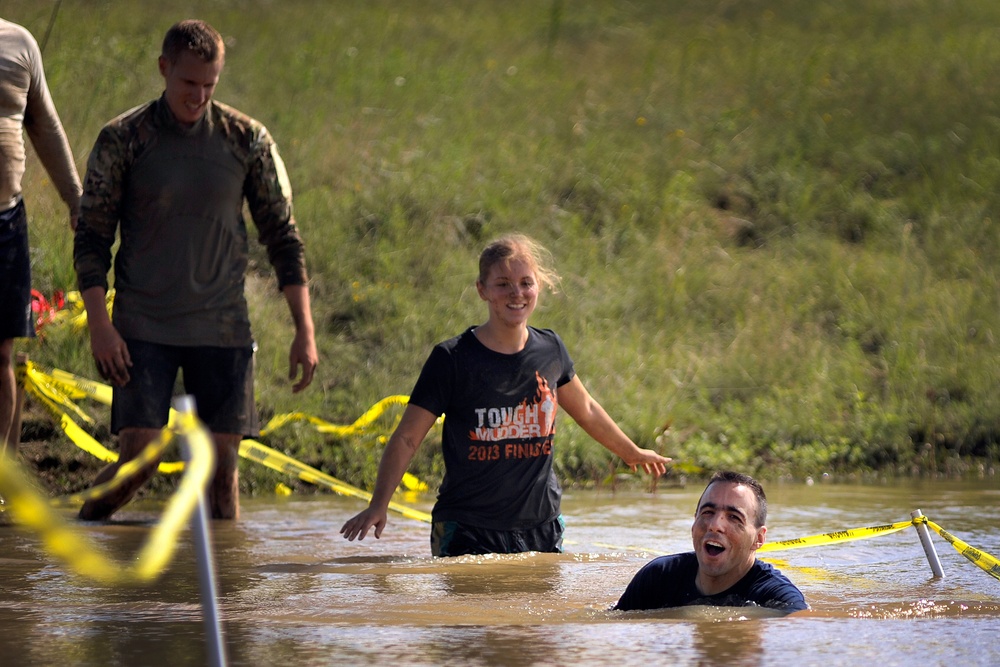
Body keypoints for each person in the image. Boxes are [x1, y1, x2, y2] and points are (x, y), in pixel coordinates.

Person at [73, 19, 318, 520]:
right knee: (138, 461)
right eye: (189, 83)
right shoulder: (124, 138)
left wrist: (304, 330)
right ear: (164, 69)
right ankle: (79, 542)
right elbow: (92, 238)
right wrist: (100, 325)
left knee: (221, 477)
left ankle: (222, 592)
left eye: (210, 85)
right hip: (144, 323)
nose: (199, 96)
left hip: (222, 324)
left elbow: (283, 237)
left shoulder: (247, 139)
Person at [340, 233, 671, 556]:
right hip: (467, 528)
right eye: (503, 284)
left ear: (538, 286)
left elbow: (585, 409)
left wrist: (631, 452)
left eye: (526, 282)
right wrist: (378, 504)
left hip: (542, 525)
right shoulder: (452, 359)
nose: (517, 293)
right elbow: (407, 438)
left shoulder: (551, 348)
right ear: (482, 290)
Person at [1, 19, 82, 455]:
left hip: (5, 222)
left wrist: (75, 199)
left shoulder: (19, 43)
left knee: (1, 356)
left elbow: (45, 126)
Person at [614, 470, 807, 612]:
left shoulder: (777, 597)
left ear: (759, 538)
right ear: (694, 522)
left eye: (734, 517)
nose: (715, 525)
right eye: (708, 513)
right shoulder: (658, 578)